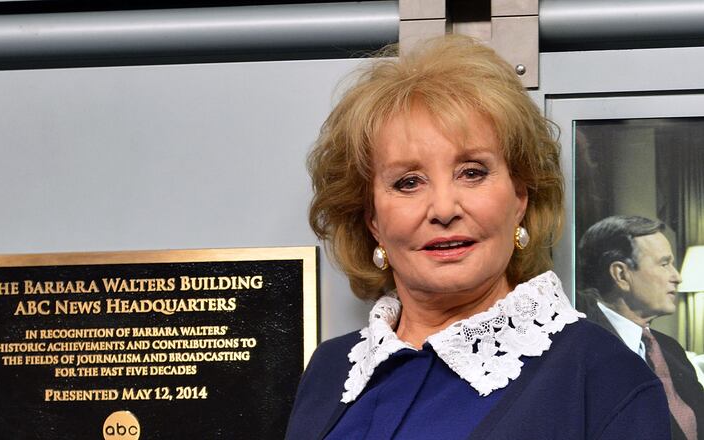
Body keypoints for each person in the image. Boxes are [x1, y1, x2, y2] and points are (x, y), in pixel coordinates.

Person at [285, 36, 670, 440]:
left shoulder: (605, 378)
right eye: (408, 181)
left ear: (520, 197)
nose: (444, 208)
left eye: (472, 172)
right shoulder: (331, 370)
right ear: (373, 220)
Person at [577, 215, 704, 439]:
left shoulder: (671, 349)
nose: (677, 277)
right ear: (621, 275)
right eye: (665, 264)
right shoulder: (582, 348)